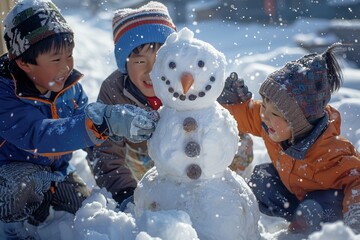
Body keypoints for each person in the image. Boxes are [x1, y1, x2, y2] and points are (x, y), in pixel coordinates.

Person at [0, 0, 158, 239]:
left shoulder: (70, 89)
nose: (67, 67)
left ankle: (42, 209)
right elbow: (40, 134)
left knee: (86, 207)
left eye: (70, 56)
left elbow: (90, 136)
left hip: (58, 173)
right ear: (24, 63)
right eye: (56, 60)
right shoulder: (6, 95)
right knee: (18, 189)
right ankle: (10, 230)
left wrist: (113, 130)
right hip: (11, 174)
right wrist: (100, 123)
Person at [86, 1, 254, 208]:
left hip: (204, 159)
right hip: (149, 163)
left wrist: (233, 105)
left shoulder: (195, 78)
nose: (151, 70)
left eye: (161, 59)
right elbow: (104, 151)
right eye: (140, 61)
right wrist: (124, 192)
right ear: (124, 64)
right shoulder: (115, 91)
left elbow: (220, 120)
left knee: (233, 131)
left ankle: (223, 191)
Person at [221, 43, 360, 235]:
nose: (264, 116)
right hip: (294, 194)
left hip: (326, 206)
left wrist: (356, 213)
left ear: (298, 121)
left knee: (312, 210)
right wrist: (227, 104)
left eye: (274, 114)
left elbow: (356, 179)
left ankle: (306, 232)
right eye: (264, 106)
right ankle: (275, 221)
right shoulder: (272, 125)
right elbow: (245, 115)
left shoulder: (332, 151)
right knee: (262, 178)